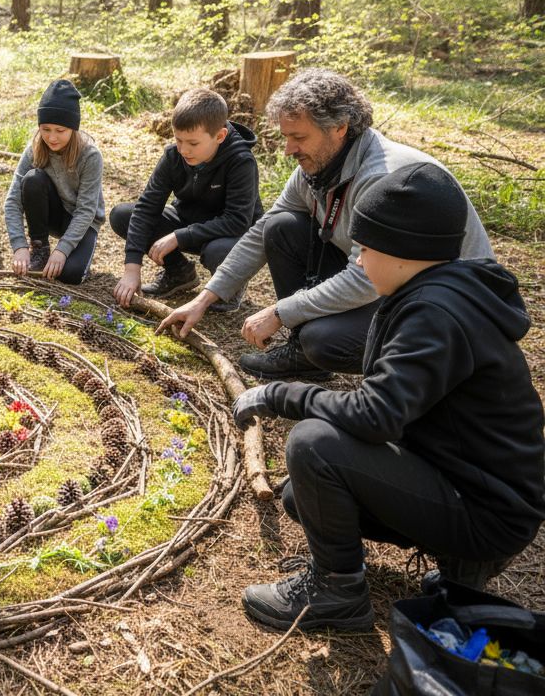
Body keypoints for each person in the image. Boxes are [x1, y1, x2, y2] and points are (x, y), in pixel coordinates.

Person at [232, 163, 545, 632]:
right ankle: (461, 564)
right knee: (304, 497)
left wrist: (281, 394)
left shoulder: (435, 315)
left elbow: (375, 415)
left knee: (312, 444)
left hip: (488, 509)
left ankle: (337, 592)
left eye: (368, 249)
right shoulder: (434, 293)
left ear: (405, 251)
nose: (358, 261)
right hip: (472, 483)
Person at [158, 69, 494, 380]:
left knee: (323, 341)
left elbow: (365, 278)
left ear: (340, 127)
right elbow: (264, 230)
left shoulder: (382, 178)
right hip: (388, 278)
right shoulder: (318, 164)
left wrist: (280, 312)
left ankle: (411, 369)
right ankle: (302, 351)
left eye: (299, 138)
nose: (289, 149)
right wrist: (203, 299)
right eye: (286, 136)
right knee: (282, 228)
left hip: (444, 305)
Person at [110, 87, 261, 310]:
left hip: (231, 235)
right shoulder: (174, 156)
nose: (183, 150)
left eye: (193, 143)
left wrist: (179, 237)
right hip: (189, 221)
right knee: (124, 215)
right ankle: (179, 273)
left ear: (220, 136)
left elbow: (237, 220)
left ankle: (229, 286)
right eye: (178, 140)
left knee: (217, 251)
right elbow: (146, 208)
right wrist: (132, 269)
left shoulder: (241, 162)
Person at [4, 79, 106, 285]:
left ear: (73, 128)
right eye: (45, 129)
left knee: (70, 275)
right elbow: (12, 200)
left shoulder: (90, 155)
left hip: (82, 220)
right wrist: (19, 246)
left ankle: (64, 253)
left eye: (60, 131)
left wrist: (62, 250)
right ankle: (40, 248)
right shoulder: (35, 149)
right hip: (52, 213)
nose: (52, 138)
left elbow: (86, 210)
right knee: (32, 179)